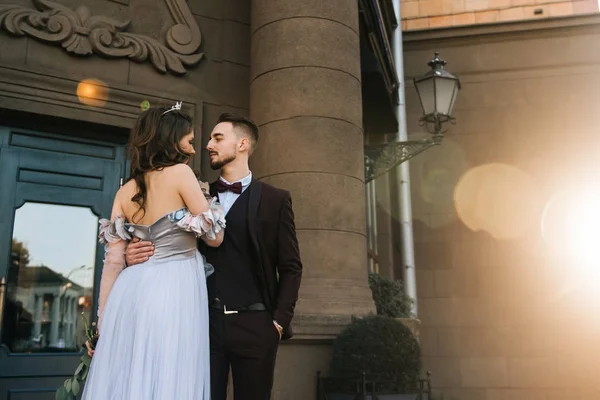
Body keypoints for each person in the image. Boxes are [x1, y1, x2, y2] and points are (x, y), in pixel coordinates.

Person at [126, 113, 303, 400]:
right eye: (208, 139)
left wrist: (278, 323)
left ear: (242, 144)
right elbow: (164, 238)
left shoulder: (275, 199)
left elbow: (292, 267)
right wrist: (133, 253)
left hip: (256, 325)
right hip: (201, 325)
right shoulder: (192, 191)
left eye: (217, 138)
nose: (208, 144)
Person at [82, 103, 224, 400]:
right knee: (170, 372)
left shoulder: (125, 191)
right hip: (174, 287)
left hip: (130, 292)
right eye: (189, 140)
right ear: (171, 139)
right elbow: (215, 237)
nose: (194, 150)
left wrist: (102, 323)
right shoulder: (181, 174)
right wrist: (193, 213)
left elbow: (112, 264)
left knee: (132, 374)